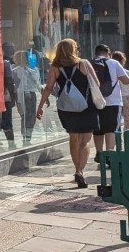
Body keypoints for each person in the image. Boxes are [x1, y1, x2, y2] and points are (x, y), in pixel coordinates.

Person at [37, 38, 101, 188]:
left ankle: (76, 169)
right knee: (85, 141)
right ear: (73, 50)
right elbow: (96, 83)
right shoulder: (83, 64)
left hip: (66, 108)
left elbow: (48, 88)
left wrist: (40, 106)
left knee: (73, 138)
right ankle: (80, 171)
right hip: (86, 107)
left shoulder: (55, 67)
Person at [90, 44, 129, 155]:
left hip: (94, 101)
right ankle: (109, 154)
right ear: (108, 53)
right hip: (113, 102)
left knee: (98, 129)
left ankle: (99, 153)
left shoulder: (88, 63)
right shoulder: (114, 63)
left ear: (96, 53)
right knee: (111, 129)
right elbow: (125, 80)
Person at [13, 50, 43, 146]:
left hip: (21, 94)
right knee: (28, 117)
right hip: (27, 94)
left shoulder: (22, 69)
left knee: (26, 117)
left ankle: (26, 136)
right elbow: (35, 82)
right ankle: (27, 137)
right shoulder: (21, 70)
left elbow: (37, 84)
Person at [0, 43, 18, 145]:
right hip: (4, 96)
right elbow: (9, 81)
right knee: (7, 119)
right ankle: (11, 143)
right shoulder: (6, 63)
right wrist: (12, 97)